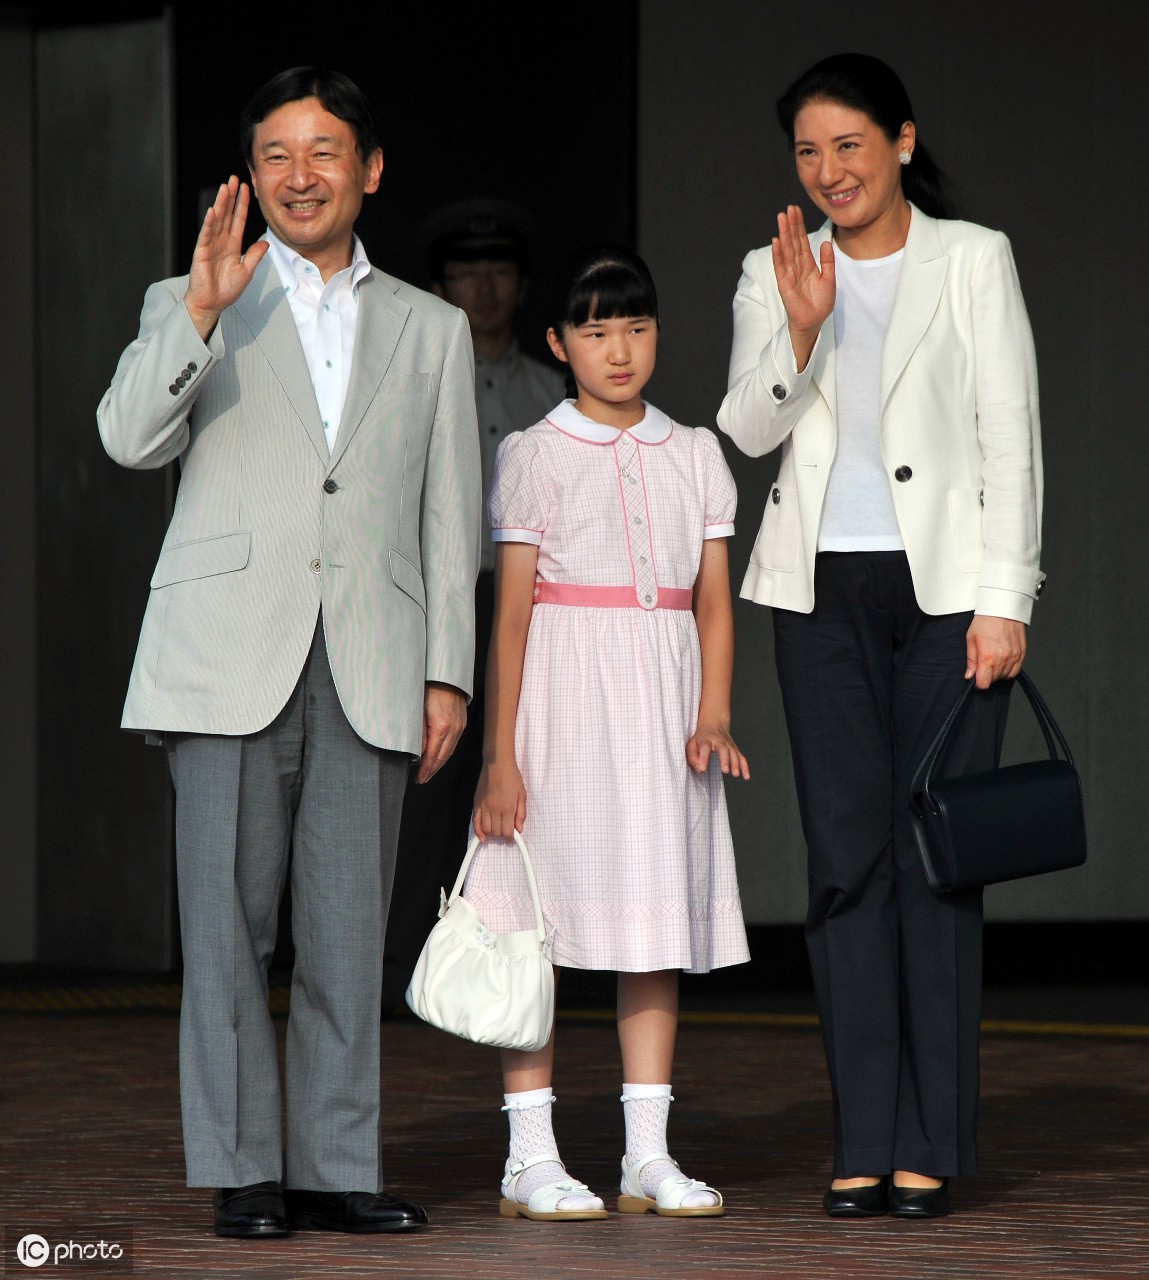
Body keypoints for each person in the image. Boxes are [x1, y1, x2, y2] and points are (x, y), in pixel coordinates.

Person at [97, 67, 480, 1238]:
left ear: (368, 170)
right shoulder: (197, 293)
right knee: (224, 928)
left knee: (346, 929)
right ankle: (242, 1167)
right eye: (274, 155)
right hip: (224, 657)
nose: (298, 175)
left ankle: (334, 1162)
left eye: (323, 152)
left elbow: (451, 513)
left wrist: (448, 669)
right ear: (250, 173)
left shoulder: (432, 324)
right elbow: (125, 436)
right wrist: (199, 313)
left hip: (370, 655)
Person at [717, 53, 1043, 1219]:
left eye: (849, 145)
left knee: (934, 864)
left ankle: (931, 1141)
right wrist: (802, 334)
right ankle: (863, 1136)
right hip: (819, 596)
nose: (828, 171)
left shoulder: (972, 257)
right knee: (846, 864)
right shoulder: (775, 268)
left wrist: (1007, 597)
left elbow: (1010, 433)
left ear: (902, 141)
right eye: (808, 152)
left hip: (951, 593)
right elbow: (747, 430)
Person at [467, 245, 751, 1222]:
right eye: (594, 329)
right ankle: (530, 1153)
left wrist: (713, 709)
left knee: (651, 931)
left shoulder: (697, 451)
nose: (618, 348)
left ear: (659, 332)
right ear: (559, 343)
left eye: (634, 326)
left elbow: (714, 602)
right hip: (558, 711)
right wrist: (500, 755)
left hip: (661, 714)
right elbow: (508, 618)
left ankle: (646, 1153)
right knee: (532, 933)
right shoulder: (533, 451)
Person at [383, 199, 565, 1008]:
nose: (483, 287)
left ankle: (535, 961)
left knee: (526, 774)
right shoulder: (412, 376)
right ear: (439, 284)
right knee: (428, 781)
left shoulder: (556, 388)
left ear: (522, 285)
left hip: (533, 606)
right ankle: (404, 970)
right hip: (438, 596)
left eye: (497, 271)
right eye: (466, 271)